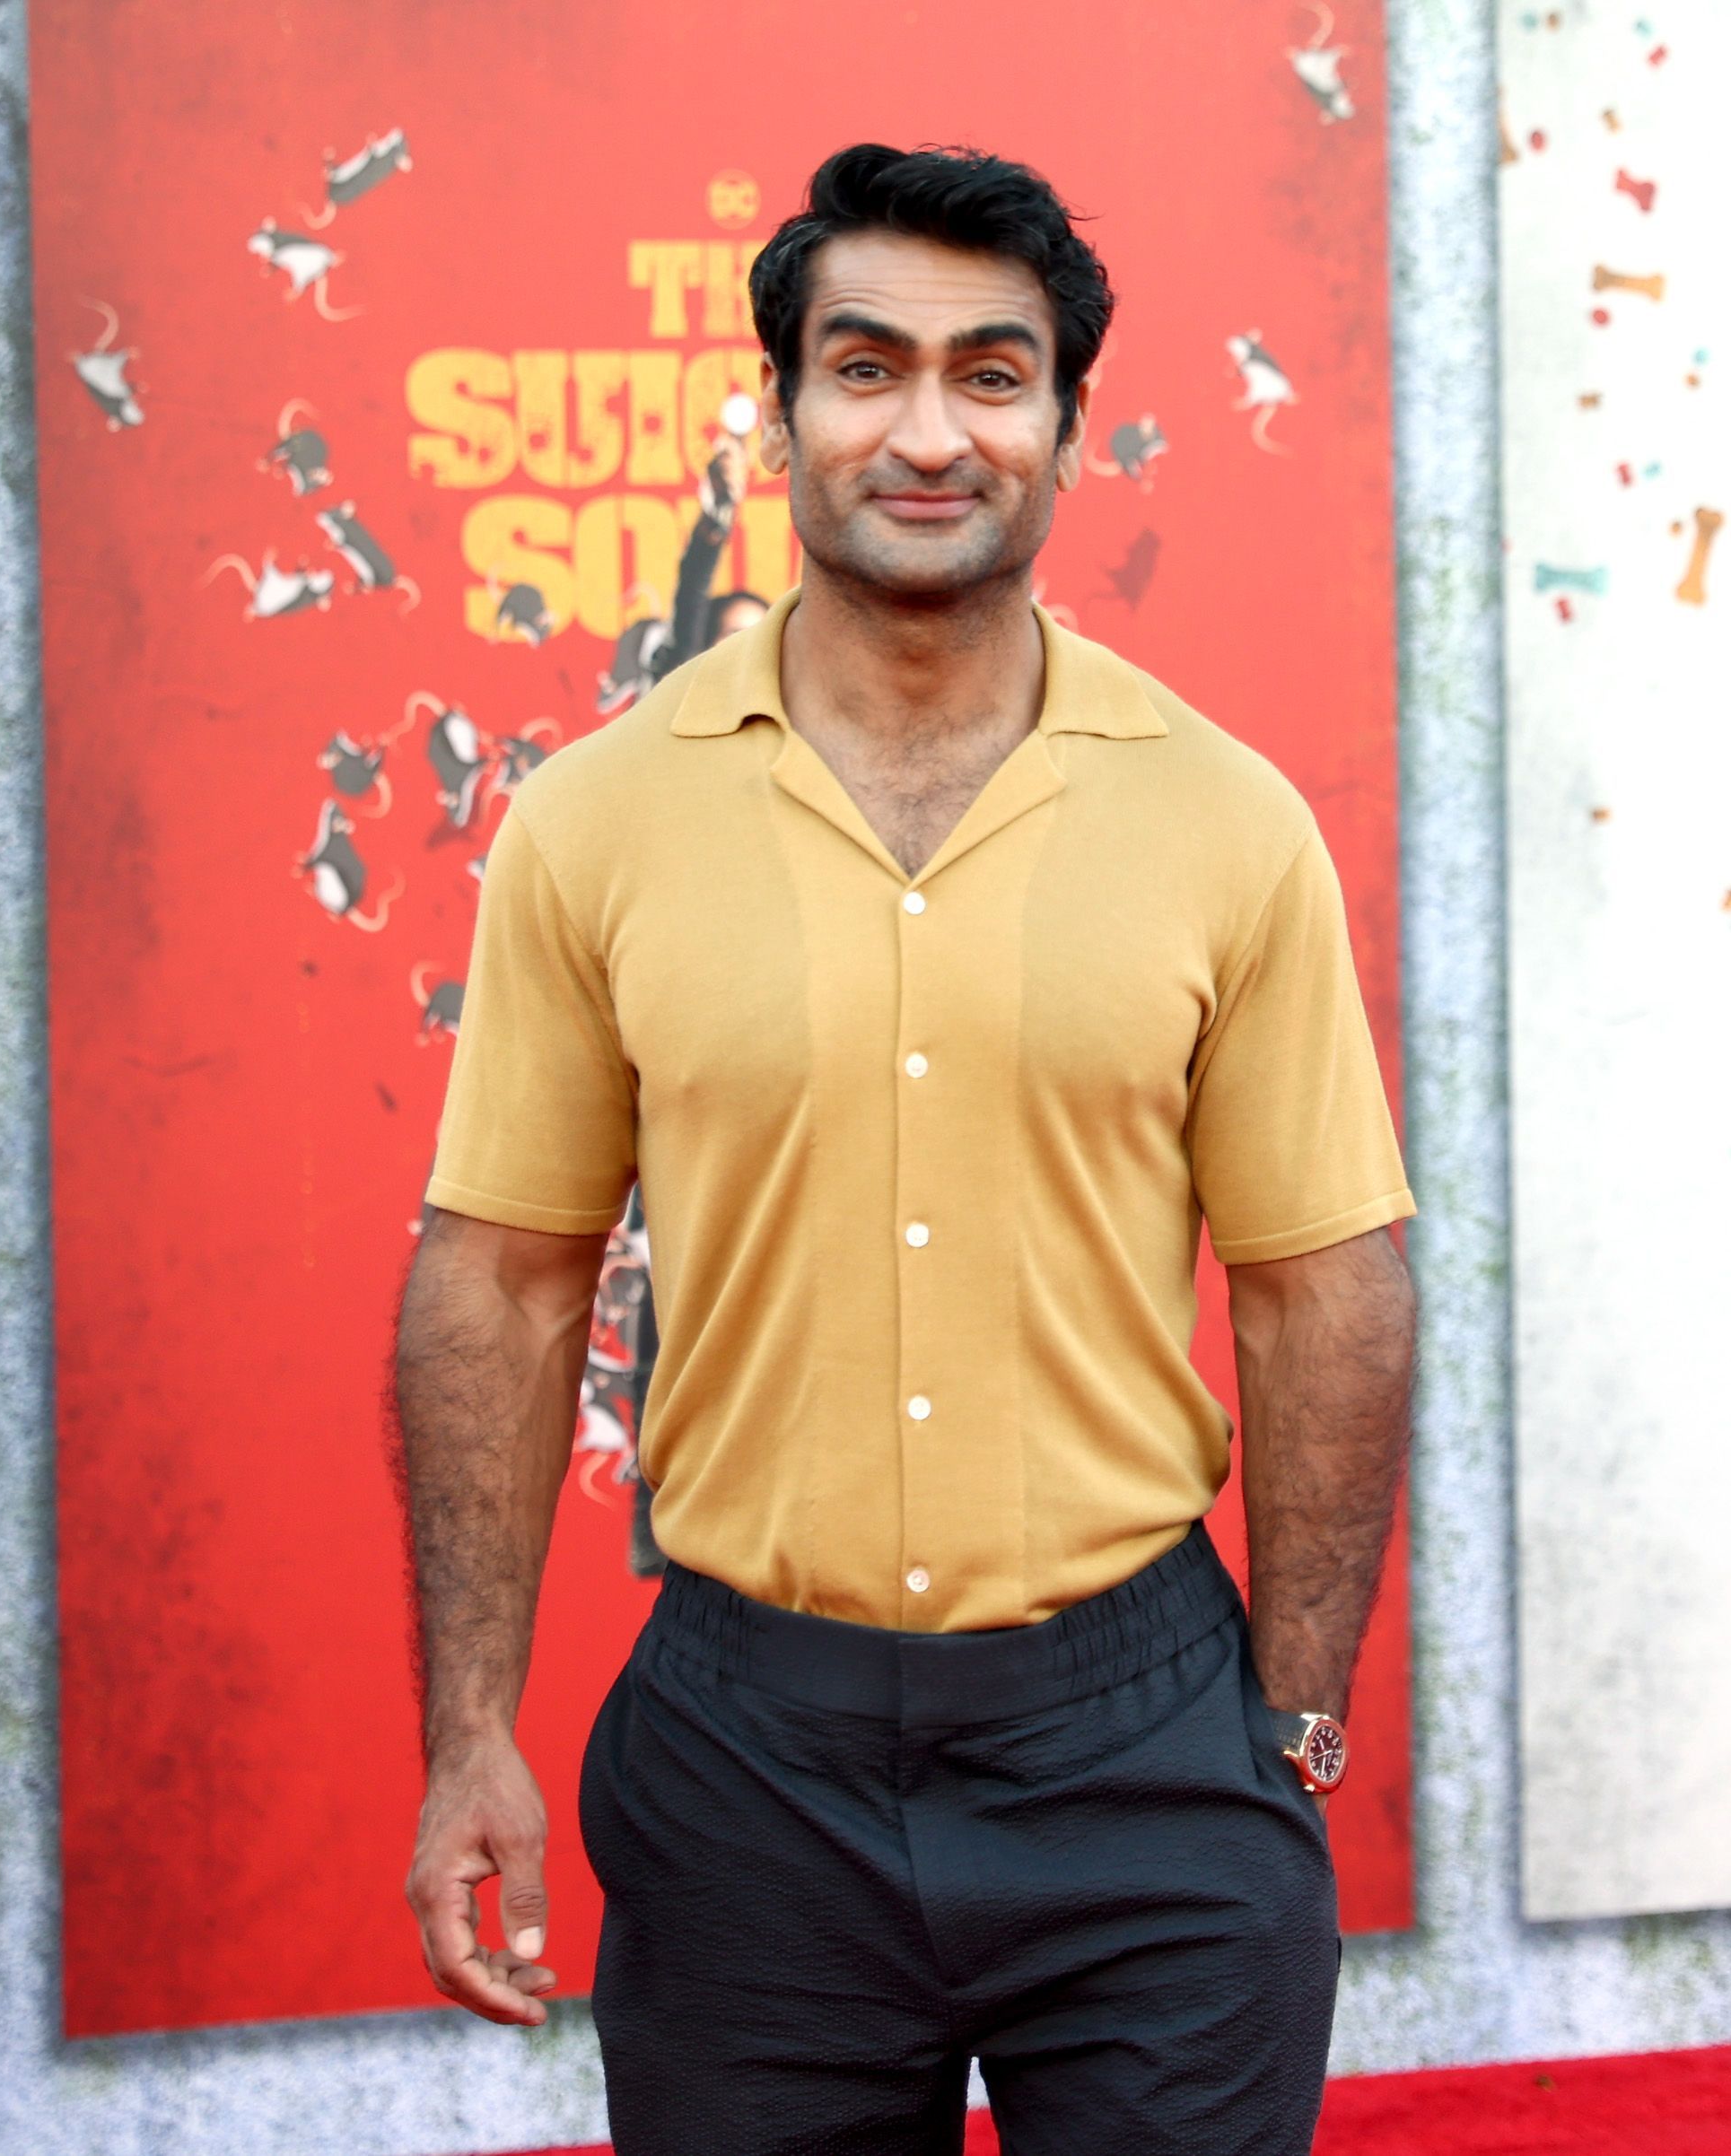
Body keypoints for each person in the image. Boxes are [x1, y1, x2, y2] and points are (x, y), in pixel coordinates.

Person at [394, 143, 1418, 2154]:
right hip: (743, 1757)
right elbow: (498, 1280)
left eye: (990, 373)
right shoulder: (596, 820)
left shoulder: (1225, 818)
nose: (926, 428)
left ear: (1065, 424)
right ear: (779, 413)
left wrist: (1288, 1723)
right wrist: (465, 1731)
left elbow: (1329, 1284)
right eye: (865, 368)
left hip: (1143, 1745)